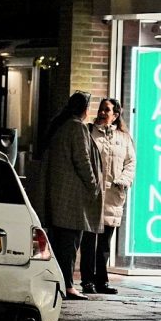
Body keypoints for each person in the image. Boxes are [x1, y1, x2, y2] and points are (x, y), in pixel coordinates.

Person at [42, 91, 103, 300]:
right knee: (69, 244)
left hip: (61, 196)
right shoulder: (76, 128)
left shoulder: (62, 126)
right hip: (72, 198)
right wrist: (94, 185)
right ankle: (67, 285)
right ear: (85, 109)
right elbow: (83, 160)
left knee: (61, 243)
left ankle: (62, 283)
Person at [80, 98, 136, 295]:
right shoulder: (89, 133)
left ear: (116, 114)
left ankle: (101, 280)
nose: (102, 113)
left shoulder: (124, 138)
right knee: (88, 240)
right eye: (101, 109)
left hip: (113, 195)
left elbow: (131, 163)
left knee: (104, 243)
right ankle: (87, 280)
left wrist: (122, 181)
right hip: (92, 195)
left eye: (107, 110)